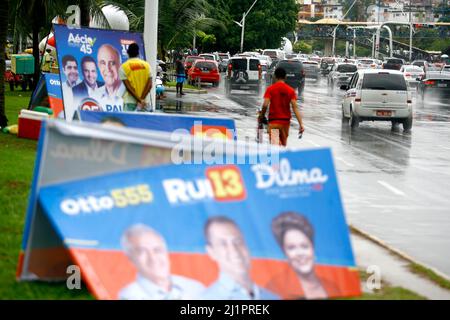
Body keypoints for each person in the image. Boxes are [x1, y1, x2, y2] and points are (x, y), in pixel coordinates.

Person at [201, 216, 279, 300]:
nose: (234, 250)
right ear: (211, 252)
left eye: (238, 241)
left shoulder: (272, 297)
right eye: (223, 244)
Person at [119, 224, 205, 300]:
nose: (153, 258)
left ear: (166, 252)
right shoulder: (129, 296)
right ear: (131, 259)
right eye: (142, 251)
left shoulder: (195, 288)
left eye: (157, 250)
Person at [267, 212, 340, 299]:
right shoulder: (274, 288)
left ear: (313, 248)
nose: (300, 253)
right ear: (285, 253)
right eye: (291, 248)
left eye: (304, 246)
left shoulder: (332, 287)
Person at [258, 67, 304, 146]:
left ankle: (277, 156)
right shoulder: (290, 90)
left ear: (275, 76)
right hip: (285, 123)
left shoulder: (270, 89)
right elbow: (295, 108)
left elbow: (265, 105)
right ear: (285, 77)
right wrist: (301, 124)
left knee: (275, 147)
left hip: (274, 122)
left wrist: (261, 116)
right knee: (282, 146)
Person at [119, 43, 153, 112]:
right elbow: (149, 85)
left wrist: (139, 100)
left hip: (129, 102)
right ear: (138, 53)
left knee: (128, 122)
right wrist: (141, 100)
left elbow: (129, 88)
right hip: (144, 104)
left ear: (128, 53)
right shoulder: (147, 66)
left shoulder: (124, 67)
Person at [95, 44, 126, 112]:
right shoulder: (94, 97)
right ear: (98, 66)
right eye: (103, 63)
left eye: (112, 63)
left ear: (120, 66)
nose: (107, 68)